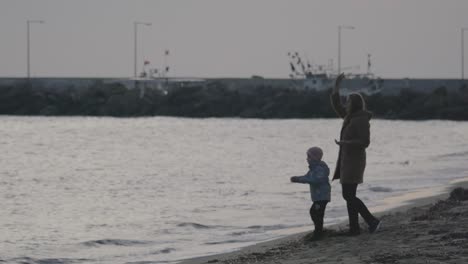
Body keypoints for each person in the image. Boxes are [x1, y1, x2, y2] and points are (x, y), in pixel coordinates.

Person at [331, 73, 381, 236]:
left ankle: (371, 220)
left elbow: (365, 142)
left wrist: (346, 143)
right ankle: (354, 228)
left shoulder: (361, 119)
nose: (346, 105)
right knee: (349, 195)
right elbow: (337, 104)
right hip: (347, 161)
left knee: (348, 195)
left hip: (354, 161)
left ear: (355, 104)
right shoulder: (349, 117)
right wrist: (336, 86)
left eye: (349, 102)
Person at [290, 147, 331, 240]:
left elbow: (316, 180)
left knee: (315, 212)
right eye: (307, 157)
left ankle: (318, 232)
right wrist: (297, 178)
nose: (307, 159)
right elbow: (307, 177)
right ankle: (319, 231)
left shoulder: (320, 168)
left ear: (316, 157)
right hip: (318, 196)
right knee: (316, 213)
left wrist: (300, 179)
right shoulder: (313, 169)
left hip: (322, 196)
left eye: (309, 157)